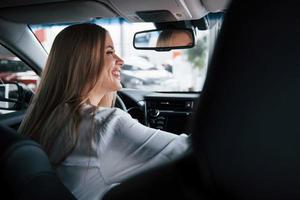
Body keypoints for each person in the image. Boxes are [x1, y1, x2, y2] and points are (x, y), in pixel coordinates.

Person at [18, 23, 191, 200]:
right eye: (109, 52)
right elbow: (193, 153)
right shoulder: (104, 124)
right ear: (83, 61)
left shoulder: (48, 117)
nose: (120, 60)